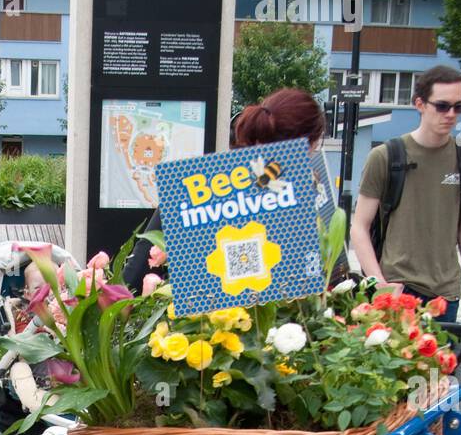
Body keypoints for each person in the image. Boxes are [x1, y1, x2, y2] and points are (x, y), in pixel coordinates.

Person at [122, 87, 327, 289]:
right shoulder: (298, 207)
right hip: (254, 321)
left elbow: (131, 279)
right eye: (314, 148)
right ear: (305, 145)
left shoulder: (197, 185)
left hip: (196, 319)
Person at [350, 65, 461, 325]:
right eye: (442, 106)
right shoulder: (386, 156)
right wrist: (379, 283)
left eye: (458, 107)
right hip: (398, 289)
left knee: (436, 367)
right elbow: (359, 227)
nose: (451, 114)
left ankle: (436, 371)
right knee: (397, 364)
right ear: (420, 104)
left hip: (445, 295)